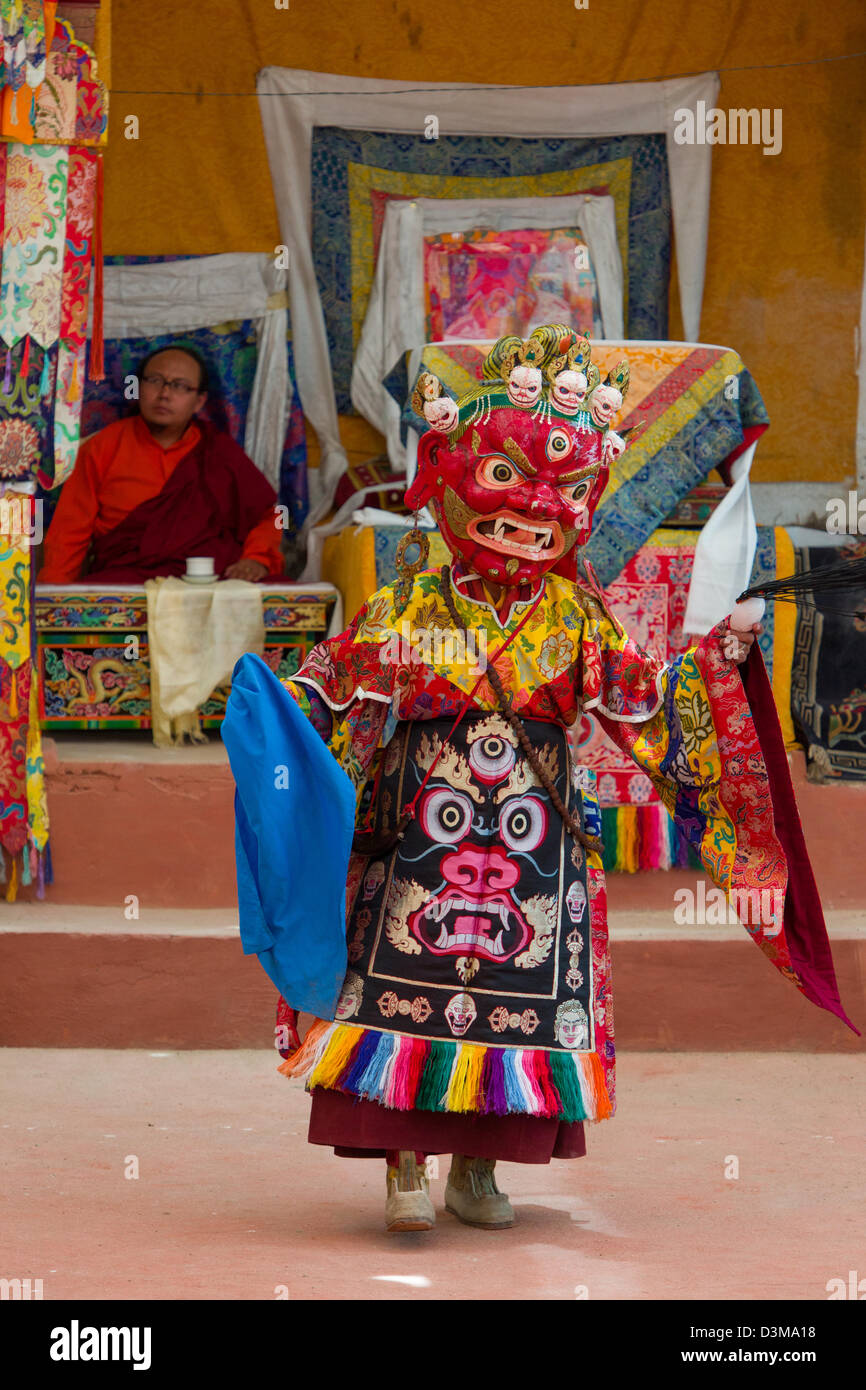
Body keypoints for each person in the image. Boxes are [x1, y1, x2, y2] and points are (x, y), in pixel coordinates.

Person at [223, 325, 855, 1235]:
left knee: (512, 1005)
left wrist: (721, 657)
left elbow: (651, 719)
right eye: (502, 498)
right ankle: (403, 1165)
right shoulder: (411, 601)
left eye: (546, 507)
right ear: (452, 495)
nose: (523, 524)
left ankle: (480, 1169)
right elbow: (323, 691)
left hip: (536, 835)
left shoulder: (578, 613)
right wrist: (268, 712)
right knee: (398, 983)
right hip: (417, 830)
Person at [38, 345, 284, 584]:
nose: (164, 394)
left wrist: (257, 559)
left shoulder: (219, 451)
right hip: (127, 581)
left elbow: (274, 515)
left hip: (209, 582)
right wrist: (54, 600)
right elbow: (68, 532)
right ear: (138, 388)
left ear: (199, 401)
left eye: (180, 386)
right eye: (154, 381)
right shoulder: (103, 447)